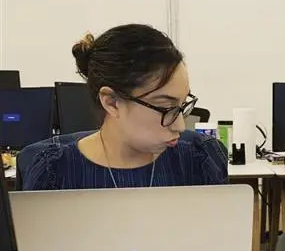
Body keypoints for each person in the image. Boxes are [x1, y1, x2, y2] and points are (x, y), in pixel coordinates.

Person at [23, 24, 228, 190]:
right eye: (165, 107)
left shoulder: (200, 159)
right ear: (111, 102)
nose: (181, 126)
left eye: (182, 105)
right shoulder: (53, 171)